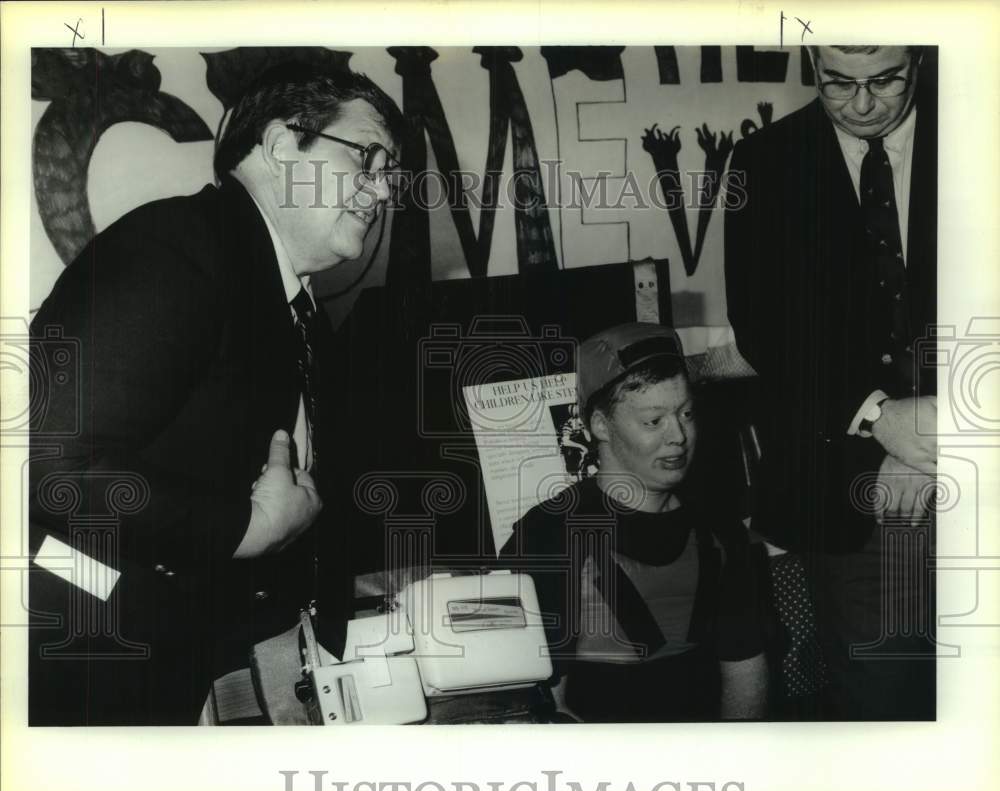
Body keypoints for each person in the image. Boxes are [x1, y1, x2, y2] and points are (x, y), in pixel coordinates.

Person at [28, 63, 406, 724]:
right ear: (285, 144)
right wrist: (247, 528)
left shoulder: (267, 282)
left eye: (391, 174)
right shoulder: (174, 253)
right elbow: (52, 468)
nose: (382, 192)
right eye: (368, 158)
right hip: (96, 678)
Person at [724, 46, 937, 719]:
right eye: (838, 81)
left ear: (921, 59)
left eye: (885, 79)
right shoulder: (763, 164)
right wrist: (879, 418)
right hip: (846, 496)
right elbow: (764, 328)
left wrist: (947, 429)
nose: (864, 101)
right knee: (886, 701)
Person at [500, 323, 768, 722]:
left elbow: (745, 676)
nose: (678, 435)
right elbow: (541, 709)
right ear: (600, 426)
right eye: (653, 421)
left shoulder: (722, 533)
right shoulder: (546, 538)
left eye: (686, 413)